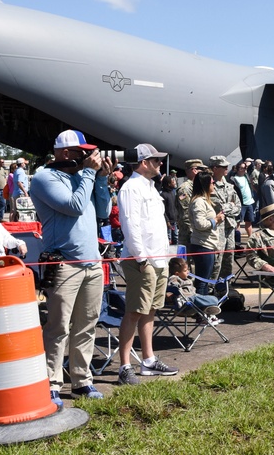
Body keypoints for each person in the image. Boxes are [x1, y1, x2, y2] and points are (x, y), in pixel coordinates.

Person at [29, 130, 112, 405]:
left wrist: (101, 180)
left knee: (87, 325)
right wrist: (89, 174)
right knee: (58, 327)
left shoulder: (82, 176)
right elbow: (74, 206)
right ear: (66, 153)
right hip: (64, 264)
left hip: (92, 262)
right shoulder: (45, 177)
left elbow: (102, 212)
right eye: (83, 152)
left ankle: (82, 380)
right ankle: (51, 382)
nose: (89, 157)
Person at [118, 143, 179, 385]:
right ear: (144, 163)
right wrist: (141, 258)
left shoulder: (150, 187)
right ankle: (124, 366)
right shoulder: (131, 188)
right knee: (134, 311)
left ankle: (148, 360)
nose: (160, 164)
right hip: (142, 260)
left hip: (158, 258)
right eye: (155, 161)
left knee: (150, 309)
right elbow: (130, 224)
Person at [187, 172, 224, 294]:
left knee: (205, 280)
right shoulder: (199, 202)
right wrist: (216, 220)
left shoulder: (204, 201)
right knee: (202, 282)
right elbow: (200, 224)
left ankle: (202, 308)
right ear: (206, 184)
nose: (214, 184)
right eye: (212, 182)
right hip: (203, 245)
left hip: (207, 244)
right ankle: (200, 309)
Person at [167, 257, 223, 325]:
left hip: (193, 299)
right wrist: (175, 290)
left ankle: (207, 316)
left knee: (204, 300)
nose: (188, 272)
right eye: (185, 271)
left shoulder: (185, 278)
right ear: (177, 274)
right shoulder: (174, 278)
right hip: (187, 301)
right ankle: (207, 314)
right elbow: (172, 285)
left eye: (188, 269)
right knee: (214, 300)